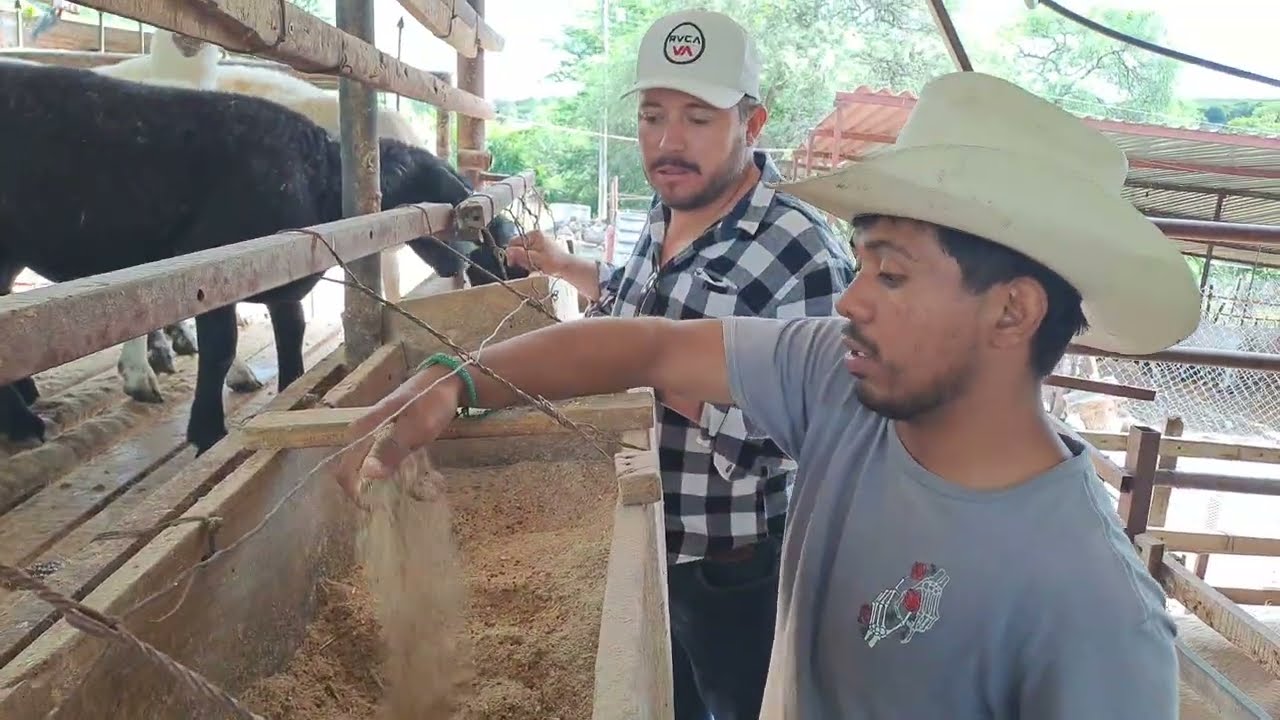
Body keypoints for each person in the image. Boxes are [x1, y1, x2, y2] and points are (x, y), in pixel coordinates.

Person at [336, 70, 1200, 718]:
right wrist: (456, 381)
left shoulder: (1095, 614)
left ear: (1012, 311)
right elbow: (648, 343)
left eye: (891, 275)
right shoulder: (838, 385)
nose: (853, 298)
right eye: (862, 262)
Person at [498, 9, 854, 719]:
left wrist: (649, 366)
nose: (667, 141)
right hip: (645, 538)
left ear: (752, 125)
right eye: (653, 116)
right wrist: (577, 273)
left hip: (732, 564)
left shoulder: (802, 249)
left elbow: (806, 431)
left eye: (697, 117)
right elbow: (644, 305)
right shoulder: (664, 212)